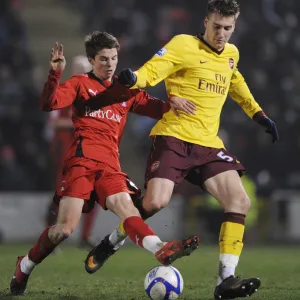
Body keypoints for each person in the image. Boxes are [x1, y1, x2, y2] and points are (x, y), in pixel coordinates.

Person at [85, 1, 279, 299]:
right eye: (216, 26)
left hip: (208, 144)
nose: (221, 33)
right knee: (155, 203)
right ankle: (112, 240)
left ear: (234, 27)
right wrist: (134, 78)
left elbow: (234, 81)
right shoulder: (183, 45)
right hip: (174, 138)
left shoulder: (231, 54)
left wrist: (258, 114)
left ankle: (225, 281)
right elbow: (153, 70)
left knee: (239, 200)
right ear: (205, 22)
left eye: (228, 28)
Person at [9, 31, 200, 296]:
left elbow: (158, 108)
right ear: (91, 60)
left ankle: (160, 247)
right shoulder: (79, 84)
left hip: (110, 166)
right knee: (64, 230)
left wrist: (174, 102)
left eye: (113, 58)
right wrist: (55, 74)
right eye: (103, 59)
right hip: (81, 162)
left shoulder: (126, 91)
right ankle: (26, 265)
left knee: (126, 207)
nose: (110, 64)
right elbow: (49, 103)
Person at [45, 55, 98, 249]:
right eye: (77, 68)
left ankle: (85, 236)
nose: (80, 72)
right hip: (67, 151)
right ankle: (52, 236)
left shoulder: (95, 93)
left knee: (92, 193)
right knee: (63, 192)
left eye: (83, 69)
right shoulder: (64, 91)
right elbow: (53, 121)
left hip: (89, 150)